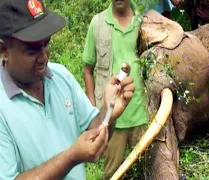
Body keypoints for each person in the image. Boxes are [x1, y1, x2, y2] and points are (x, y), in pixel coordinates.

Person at [0, 0, 135, 179]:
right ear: (4, 50)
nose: (44, 57)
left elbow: (94, 131)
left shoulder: (60, 77)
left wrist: (109, 112)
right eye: (32, 50)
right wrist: (71, 157)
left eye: (46, 43)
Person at [82, 0, 148, 178]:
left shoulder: (144, 23)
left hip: (141, 114)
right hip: (112, 118)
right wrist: (93, 105)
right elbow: (88, 70)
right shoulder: (98, 23)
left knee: (145, 170)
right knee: (113, 173)